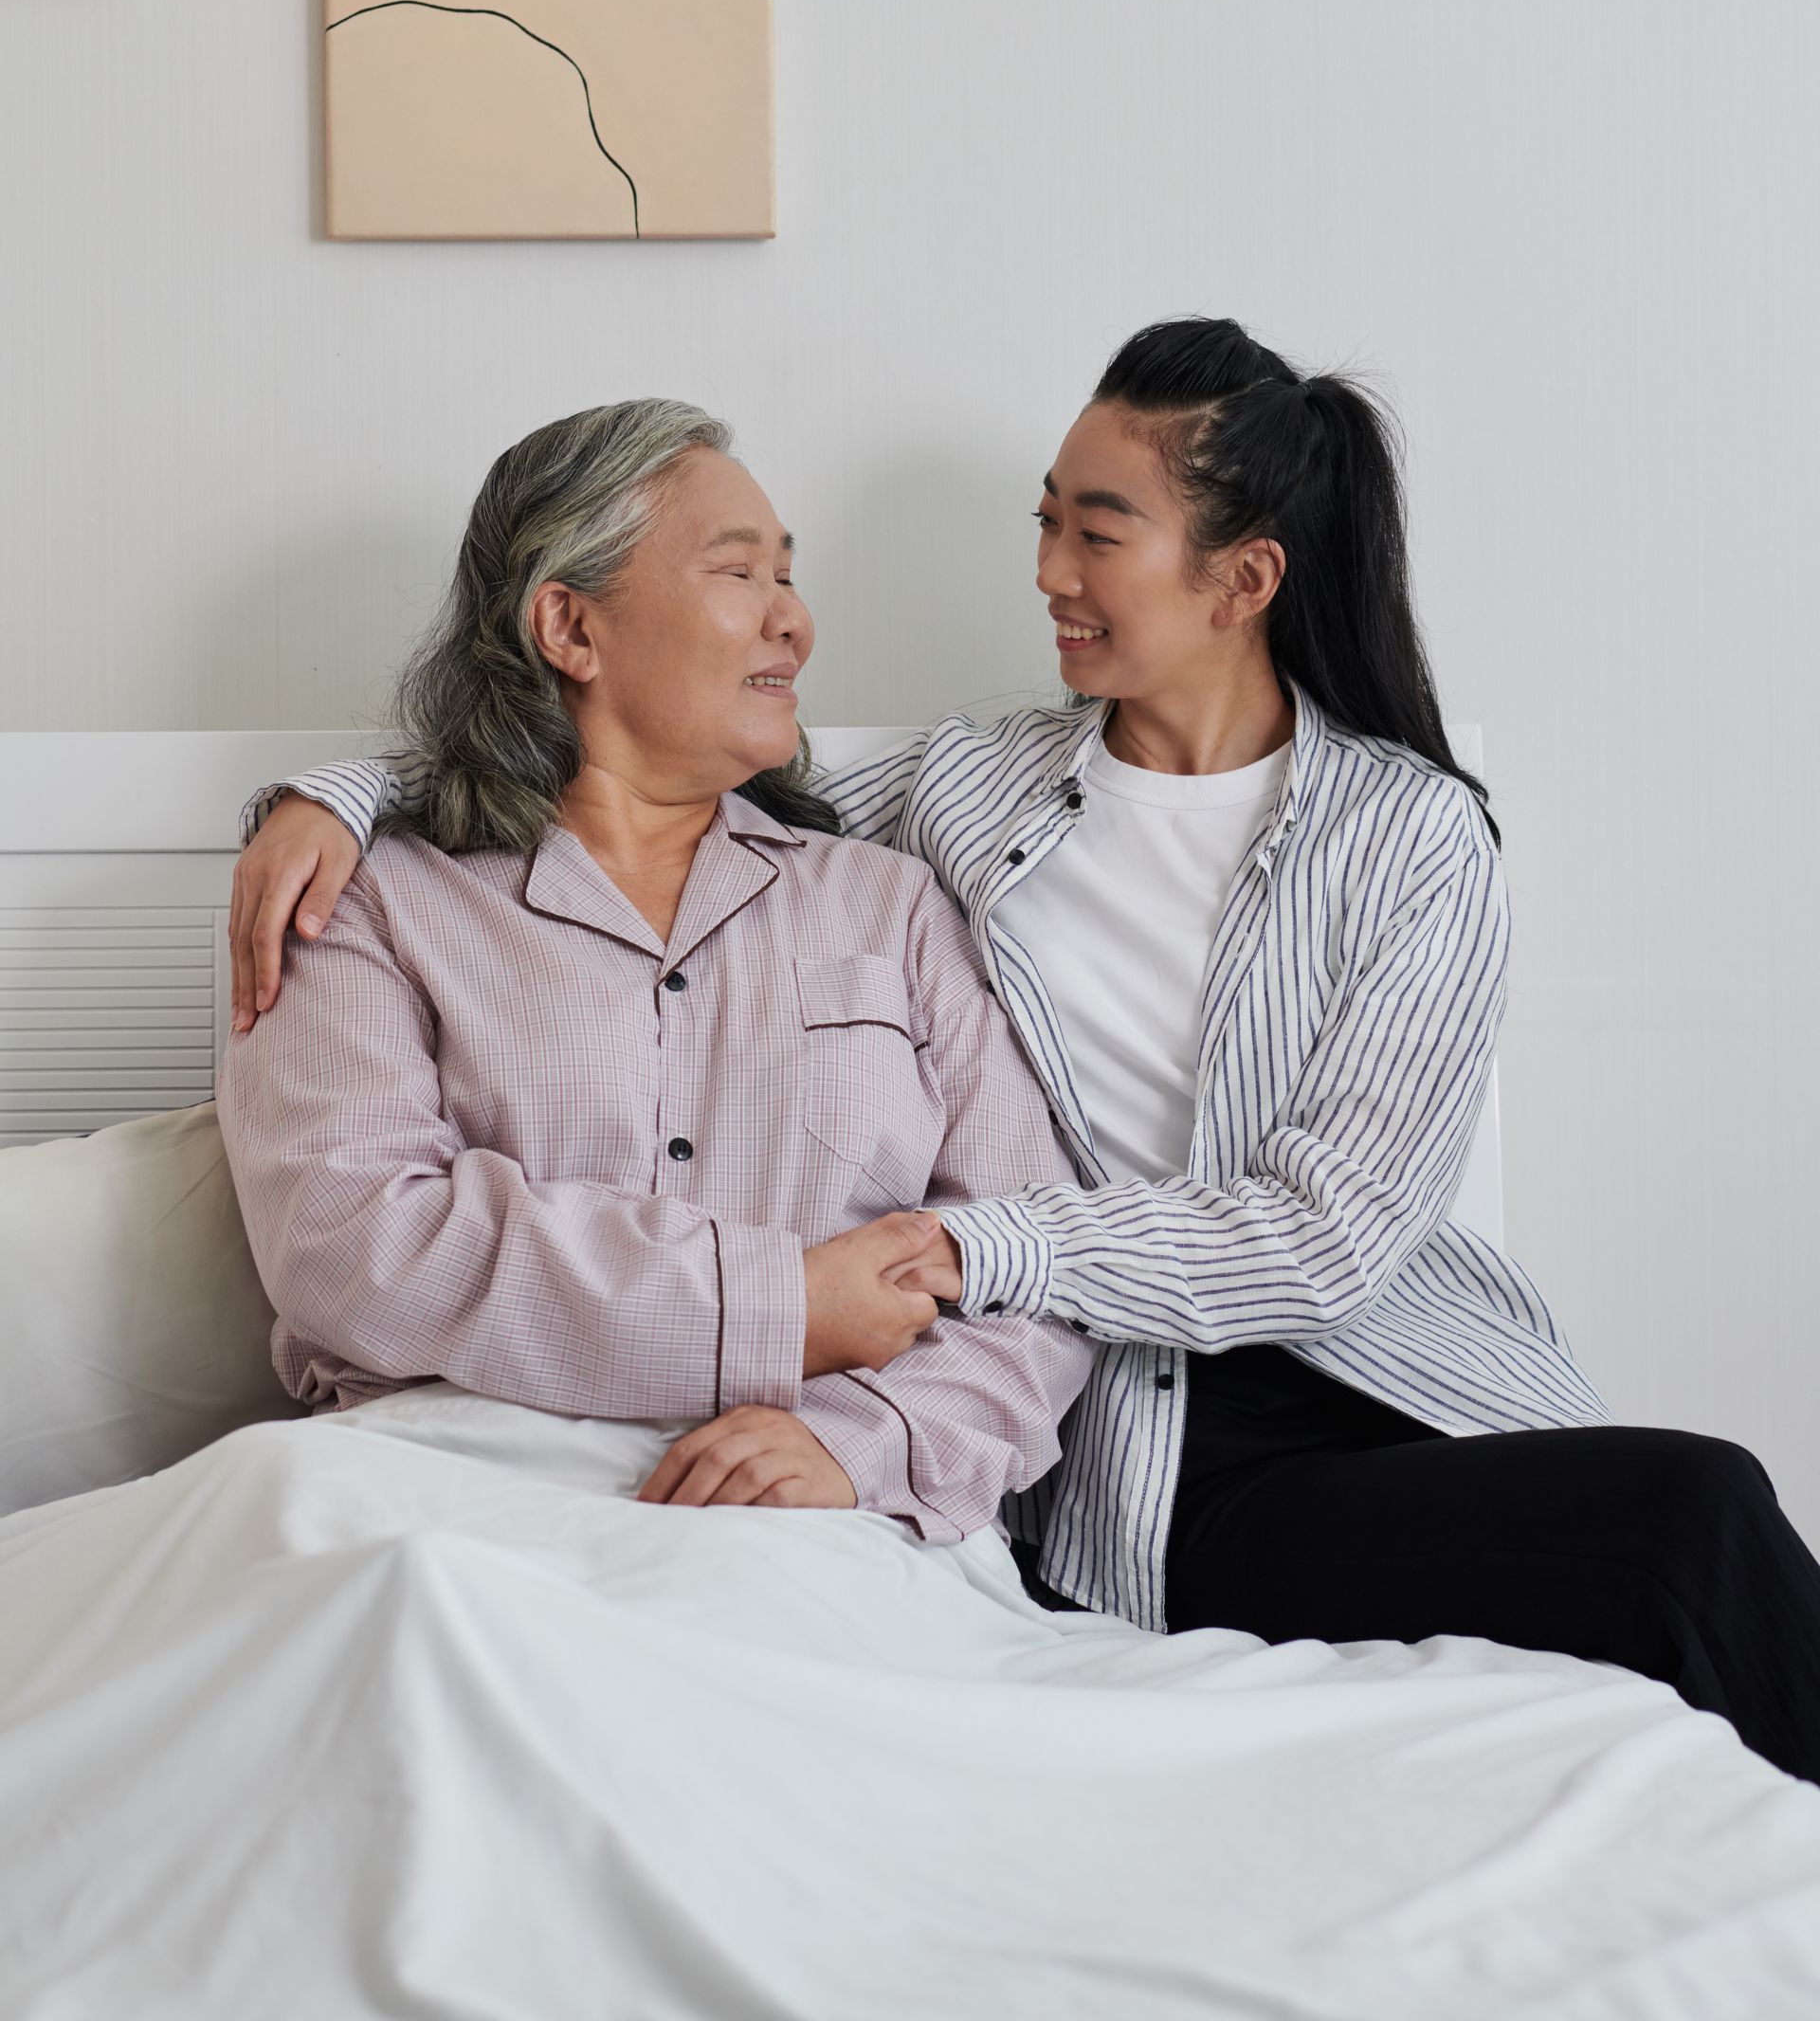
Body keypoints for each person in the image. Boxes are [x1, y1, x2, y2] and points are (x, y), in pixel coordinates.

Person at [229, 320, 1820, 1782]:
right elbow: (645, 754)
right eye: (1045, 520)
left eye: (1096, 531)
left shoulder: (1415, 841)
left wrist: (978, 1249)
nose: (1048, 569)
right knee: (1695, 1534)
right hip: (1145, 1431)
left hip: (1382, 1372)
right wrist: (337, 798)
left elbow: (1328, 1237)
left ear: (1242, 580)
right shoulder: (965, 798)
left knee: (1696, 1520)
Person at [218, 397, 1093, 1531]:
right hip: (452, 1494)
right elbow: (352, 1245)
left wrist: (868, 1440)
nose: (797, 623)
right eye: (742, 575)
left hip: (819, 1511)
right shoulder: (364, 899)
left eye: (790, 577)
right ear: (570, 629)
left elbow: (1036, 1262)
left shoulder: (890, 906)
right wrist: (775, 1306)